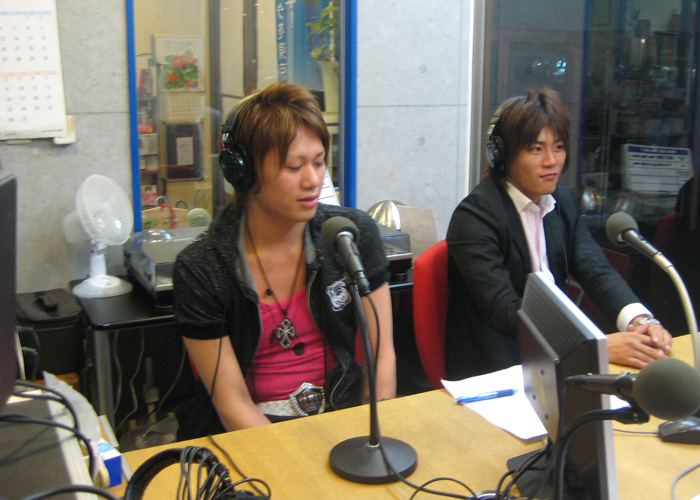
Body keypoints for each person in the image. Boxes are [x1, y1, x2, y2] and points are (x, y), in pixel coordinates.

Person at [173, 82, 396, 435]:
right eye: (294, 167)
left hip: (342, 416)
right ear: (243, 173)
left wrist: (373, 437)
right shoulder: (203, 267)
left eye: (319, 163)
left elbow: (381, 355)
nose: (313, 180)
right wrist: (289, 460)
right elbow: (231, 403)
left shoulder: (350, 235)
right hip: (256, 433)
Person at [445, 88, 672, 381]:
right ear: (502, 156)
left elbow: (596, 271)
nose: (551, 161)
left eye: (559, 147)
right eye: (536, 149)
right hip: (498, 369)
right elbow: (506, 313)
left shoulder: (562, 203)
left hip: (560, 360)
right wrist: (595, 345)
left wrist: (640, 320)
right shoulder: (475, 216)